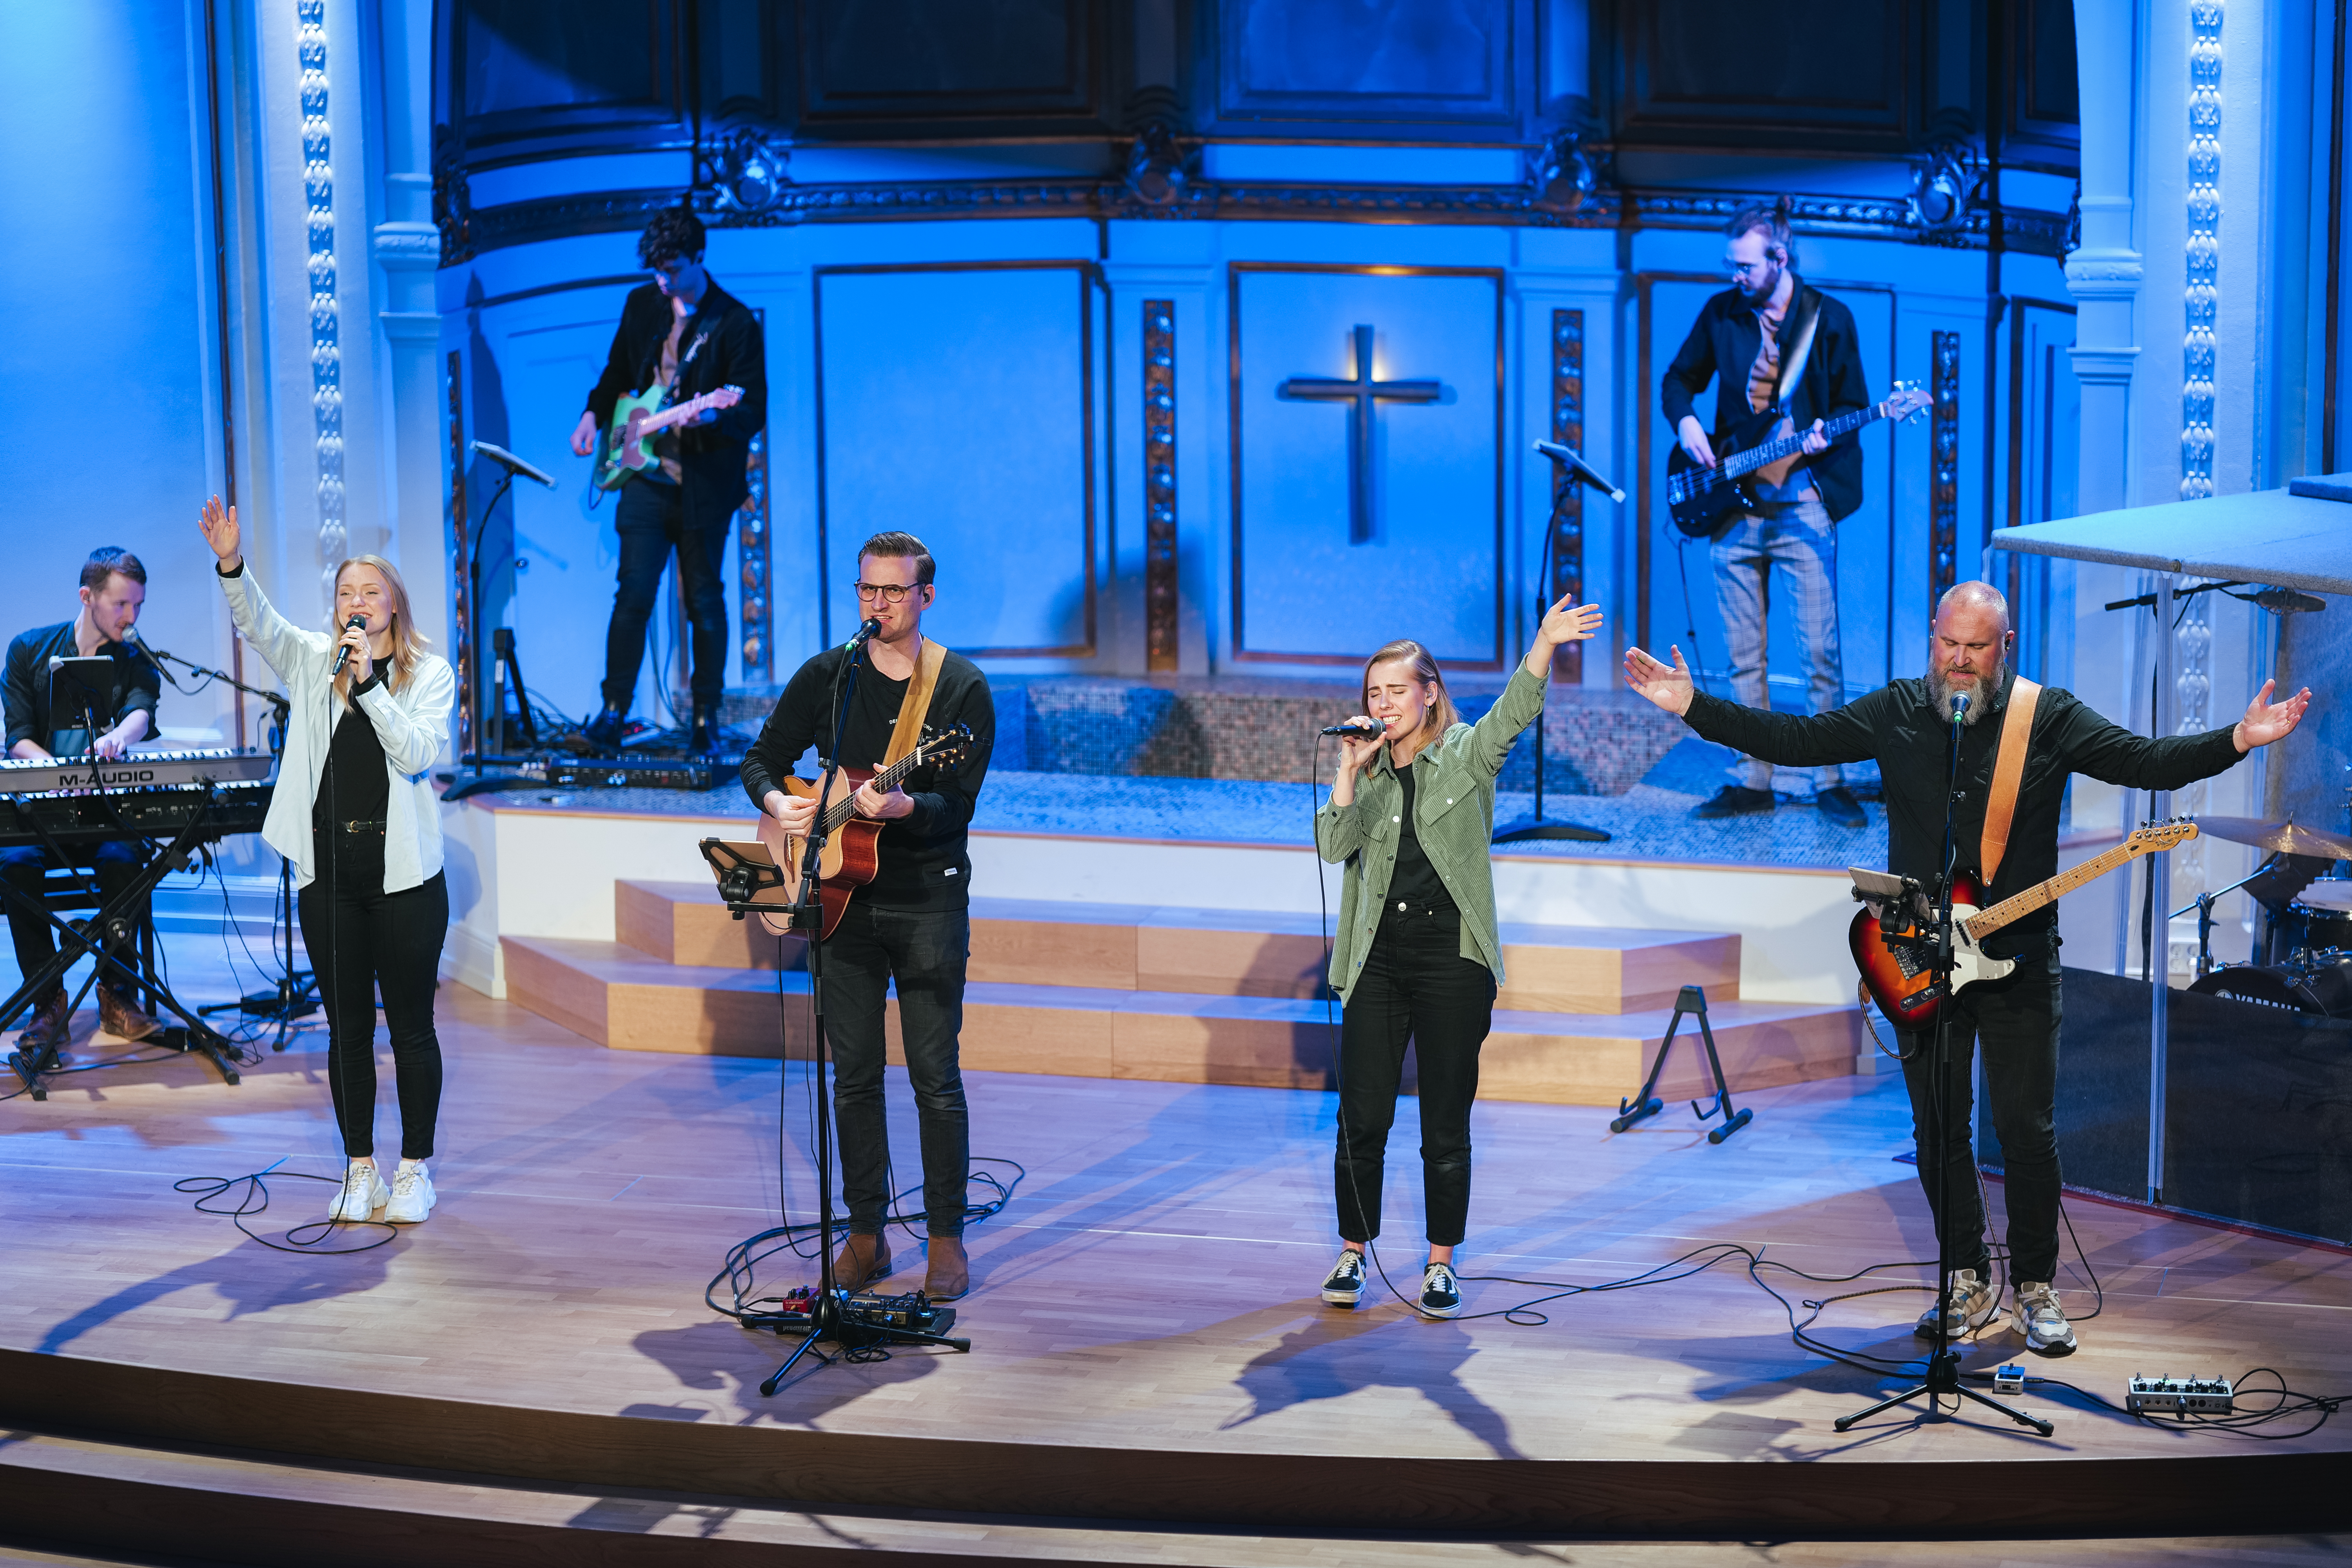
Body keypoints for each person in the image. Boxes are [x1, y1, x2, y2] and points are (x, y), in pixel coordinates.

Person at [1623, 581, 2312, 1354]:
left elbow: (2144, 761)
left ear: (2004, 646)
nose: (1958, 660)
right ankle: (1962, 1272)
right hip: (1919, 963)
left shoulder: (2045, 717)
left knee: (2027, 1129)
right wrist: (1693, 706)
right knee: (1937, 1130)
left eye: (1975, 647)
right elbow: (1795, 739)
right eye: (1948, 644)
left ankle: (2037, 1286)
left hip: (2020, 964)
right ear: (1932, 639)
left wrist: (2239, 739)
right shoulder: (1896, 711)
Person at [1314, 595, 1606, 1319]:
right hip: (1375, 961)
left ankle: (1442, 1263)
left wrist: (1542, 645)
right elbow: (1331, 847)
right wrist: (1350, 769)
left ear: (1429, 693)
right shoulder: (1372, 777)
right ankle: (1354, 1251)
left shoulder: (1466, 756)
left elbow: (1515, 711)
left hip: (1453, 961)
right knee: (1362, 1118)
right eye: (1372, 694)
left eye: (1395, 692)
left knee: (1446, 1121)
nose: (1382, 705)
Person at [740, 532, 995, 1299]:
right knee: (851, 1076)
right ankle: (865, 1234)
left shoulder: (959, 691)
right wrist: (778, 802)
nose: (878, 604)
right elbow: (762, 756)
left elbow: (958, 804)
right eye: (867, 591)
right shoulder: (830, 674)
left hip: (925, 898)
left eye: (893, 591)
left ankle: (945, 1239)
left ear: (926, 596)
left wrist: (909, 801)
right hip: (838, 900)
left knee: (933, 1076)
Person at [198, 498, 459, 1227]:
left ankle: (414, 1170)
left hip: (404, 880)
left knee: (410, 1027)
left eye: (370, 592)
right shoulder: (315, 664)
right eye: (346, 593)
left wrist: (371, 683)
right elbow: (260, 622)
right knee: (346, 1030)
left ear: (395, 607)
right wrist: (230, 563)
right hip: (331, 876)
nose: (356, 602)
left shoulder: (428, 675)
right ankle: (360, 1167)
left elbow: (416, 754)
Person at [1661, 196, 1871, 829]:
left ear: (1780, 258)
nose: (1737, 277)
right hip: (1733, 504)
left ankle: (1829, 777)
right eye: (1732, 265)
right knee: (1742, 656)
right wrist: (1689, 422)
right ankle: (1754, 778)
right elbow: (1676, 380)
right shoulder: (1722, 314)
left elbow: (1854, 405)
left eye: (1747, 267)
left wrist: (1819, 438)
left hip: (1802, 502)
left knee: (1819, 653)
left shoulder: (1828, 319)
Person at [569, 201, 768, 759]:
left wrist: (712, 415)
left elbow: (753, 409)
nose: (665, 281)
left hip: (703, 484)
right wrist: (592, 415)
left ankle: (705, 716)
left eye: (675, 270)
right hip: (645, 478)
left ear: (699, 258)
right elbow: (614, 374)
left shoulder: (734, 322)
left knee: (704, 600)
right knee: (632, 594)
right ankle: (614, 712)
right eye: (657, 271)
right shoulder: (643, 304)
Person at [2, 547, 164, 1050]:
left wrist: (119, 740)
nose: (131, 616)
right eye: (120, 604)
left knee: (125, 857)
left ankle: (117, 993)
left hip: (102, 812)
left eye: (137, 605)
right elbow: (18, 736)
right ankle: (47, 1000)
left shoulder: (133, 655)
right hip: (43, 812)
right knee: (15, 865)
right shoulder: (29, 649)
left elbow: (142, 709)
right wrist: (60, 771)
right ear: (87, 597)